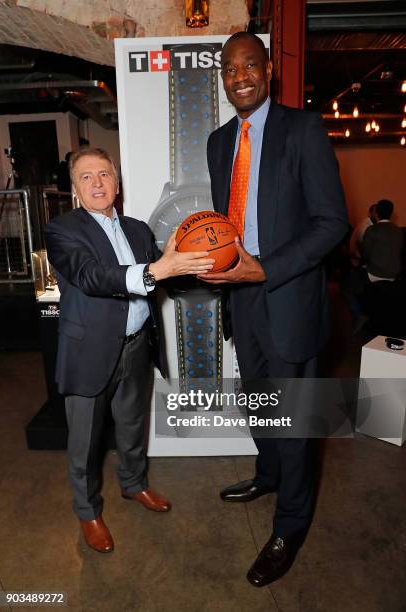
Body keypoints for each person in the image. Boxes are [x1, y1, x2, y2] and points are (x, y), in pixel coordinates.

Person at [200, 32, 348, 586]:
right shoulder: (218, 142)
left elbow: (331, 223)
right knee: (259, 404)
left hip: (288, 298)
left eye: (249, 65)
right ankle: (268, 473)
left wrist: (267, 267)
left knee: (296, 425)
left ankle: (291, 523)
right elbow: (226, 220)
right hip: (241, 298)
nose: (239, 75)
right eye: (229, 68)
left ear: (268, 71)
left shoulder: (303, 130)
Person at [45, 147, 214, 553]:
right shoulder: (62, 230)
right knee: (84, 442)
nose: (97, 183)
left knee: (131, 427)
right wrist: (159, 268)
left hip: (136, 347)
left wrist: (191, 262)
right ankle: (87, 512)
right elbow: (91, 276)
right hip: (88, 352)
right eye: (86, 177)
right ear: (75, 188)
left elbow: (164, 278)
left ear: (117, 184)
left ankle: (134, 485)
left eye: (104, 174)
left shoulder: (138, 229)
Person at [361, 199, 403, 282]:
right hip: (394, 274)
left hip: (375, 274)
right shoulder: (399, 230)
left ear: (376, 213)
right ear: (391, 213)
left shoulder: (372, 229)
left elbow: (365, 254)